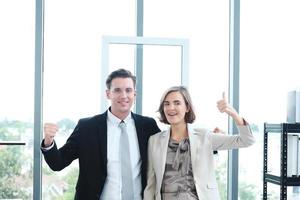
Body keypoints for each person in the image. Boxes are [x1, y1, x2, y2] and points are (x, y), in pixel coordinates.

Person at [41, 68, 161, 200]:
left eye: (128, 90)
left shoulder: (148, 126)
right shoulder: (87, 128)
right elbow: (58, 163)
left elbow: (164, 159)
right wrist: (48, 141)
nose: (124, 96)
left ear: (135, 94)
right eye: (117, 90)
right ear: (108, 94)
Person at [143, 86, 255, 200]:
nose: (171, 108)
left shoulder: (204, 137)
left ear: (187, 107)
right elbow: (151, 184)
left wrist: (233, 114)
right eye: (166, 104)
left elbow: (246, 140)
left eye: (177, 103)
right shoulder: (154, 141)